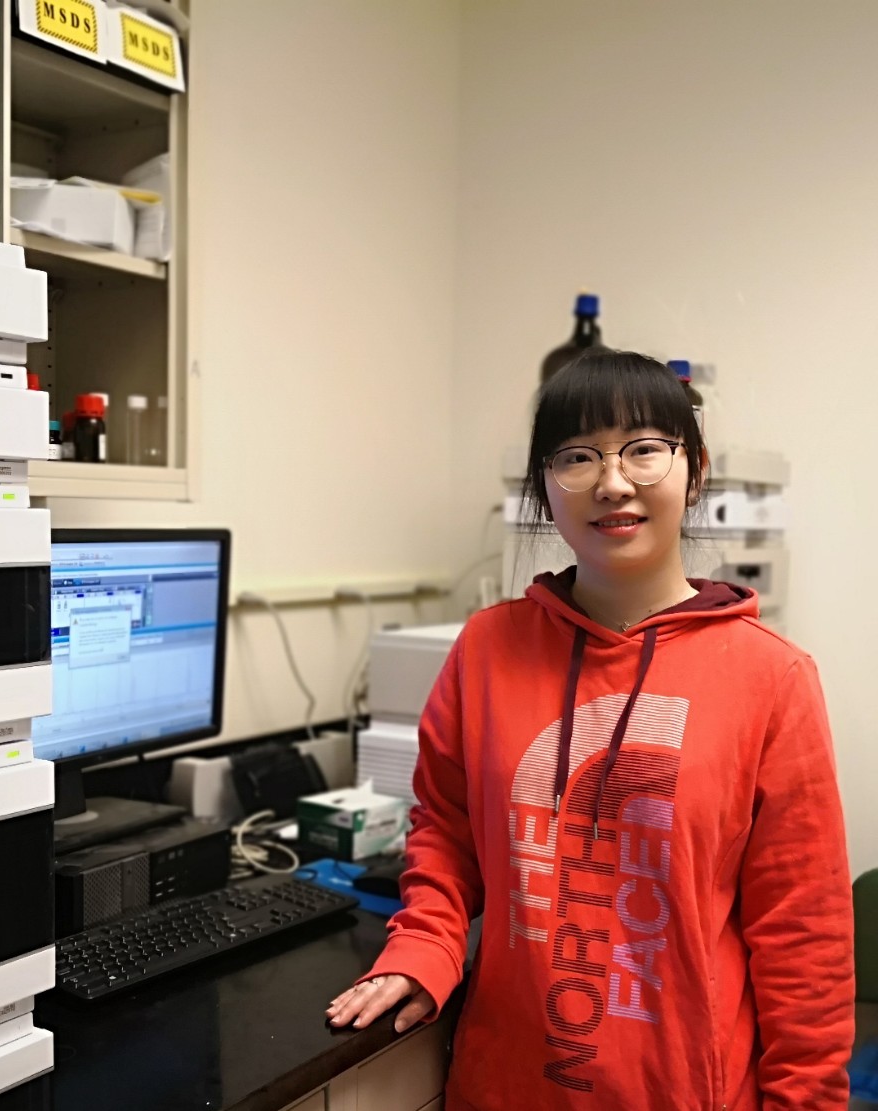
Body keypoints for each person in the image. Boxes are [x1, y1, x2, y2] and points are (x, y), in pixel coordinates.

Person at [326, 350, 854, 1109]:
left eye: (644, 447)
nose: (612, 481)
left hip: (683, 1089)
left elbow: (804, 935)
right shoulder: (486, 649)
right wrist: (423, 947)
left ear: (693, 470)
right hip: (504, 1084)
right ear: (544, 486)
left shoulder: (772, 677)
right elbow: (445, 831)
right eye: (577, 456)